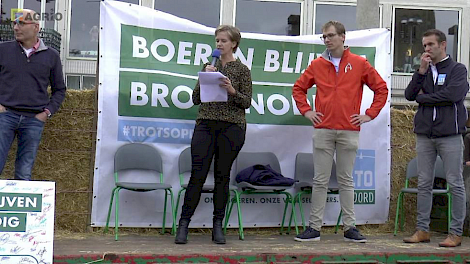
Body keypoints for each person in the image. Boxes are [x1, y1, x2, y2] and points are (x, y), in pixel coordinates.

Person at [292, 20, 388, 243]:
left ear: (343, 37)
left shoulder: (359, 63)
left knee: (346, 180)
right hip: (323, 129)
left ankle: (350, 227)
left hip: (348, 129)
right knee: (320, 180)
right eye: (324, 36)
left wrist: (369, 114)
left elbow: (381, 88)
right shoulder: (317, 64)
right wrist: (307, 111)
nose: (327, 39)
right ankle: (314, 228)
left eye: (331, 35)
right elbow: (298, 88)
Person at [174, 25, 252, 245]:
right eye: (217, 40)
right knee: (197, 174)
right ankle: (183, 224)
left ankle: (217, 226)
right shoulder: (209, 66)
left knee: (222, 176)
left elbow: (246, 102)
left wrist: (232, 91)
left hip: (232, 127)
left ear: (234, 44)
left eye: (223, 41)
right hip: (206, 124)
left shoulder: (242, 70)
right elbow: (195, 98)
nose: (219, 44)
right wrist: (204, 77)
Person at [403, 29, 469, 247]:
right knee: (423, 182)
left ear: (443, 45)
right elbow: (410, 95)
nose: (427, 49)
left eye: (431, 44)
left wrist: (425, 99)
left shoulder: (457, 69)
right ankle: (422, 230)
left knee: (455, 183)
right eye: (424, 46)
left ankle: (455, 232)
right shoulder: (424, 70)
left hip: (449, 135)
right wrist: (421, 72)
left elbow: (453, 95)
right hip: (425, 135)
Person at [0, 9, 66, 180]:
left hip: (33, 120)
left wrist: (46, 113)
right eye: (15, 23)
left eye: (21, 23)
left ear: (36, 27)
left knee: (24, 172)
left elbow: (60, 89)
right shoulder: (3, 50)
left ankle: (18, 208)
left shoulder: (52, 56)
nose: (15, 27)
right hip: (5, 116)